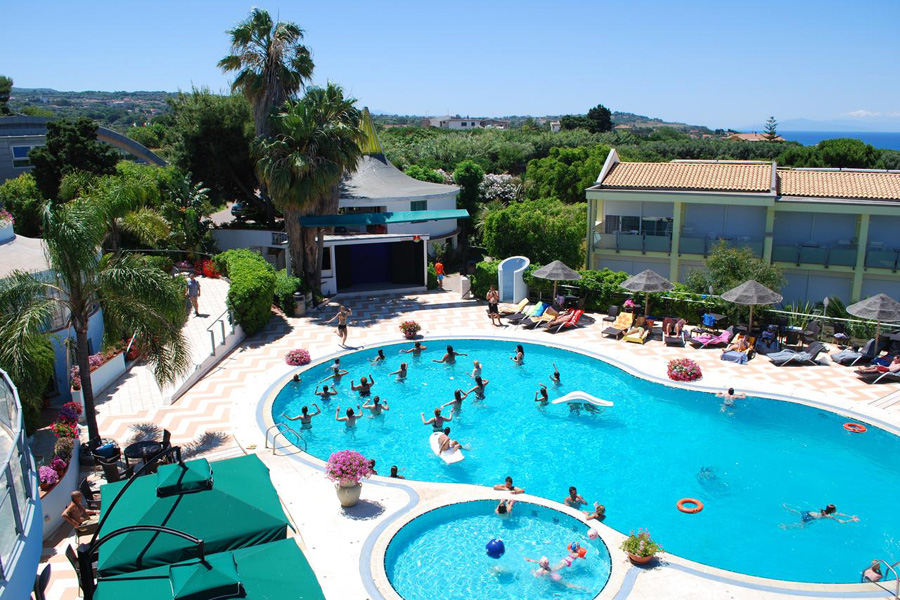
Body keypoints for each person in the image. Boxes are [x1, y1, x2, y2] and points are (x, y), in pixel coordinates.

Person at [781, 504, 859, 529]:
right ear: (832, 511)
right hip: (810, 518)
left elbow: (838, 514)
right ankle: (786, 526)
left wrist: (850, 516)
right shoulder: (828, 516)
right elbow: (842, 522)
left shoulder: (824, 511)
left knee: (797, 513)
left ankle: (787, 508)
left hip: (808, 513)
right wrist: (852, 520)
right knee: (801, 526)